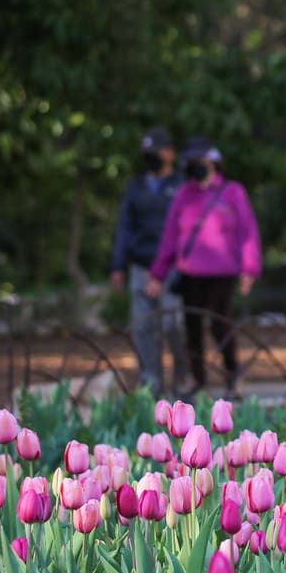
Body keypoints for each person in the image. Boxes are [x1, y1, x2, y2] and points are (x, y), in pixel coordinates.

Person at [145, 136, 261, 400]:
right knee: (192, 330)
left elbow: (248, 232)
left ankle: (233, 378)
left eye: (201, 161)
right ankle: (198, 382)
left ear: (213, 161)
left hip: (223, 274)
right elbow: (170, 238)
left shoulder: (232, 191)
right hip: (191, 275)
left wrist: (249, 269)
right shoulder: (184, 194)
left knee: (222, 328)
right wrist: (158, 273)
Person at [110, 127, 187, 396]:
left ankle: (183, 380)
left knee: (172, 324)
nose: (152, 157)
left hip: (173, 269)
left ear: (170, 153)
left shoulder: (181, 186)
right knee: (143, 327)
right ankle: (151, 384)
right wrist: (118, 264)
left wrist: (164, 271)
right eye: (148, 153)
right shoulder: (136, 186)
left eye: (157, 152)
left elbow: (185, 231)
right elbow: (125, 226)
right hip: (140, 267)